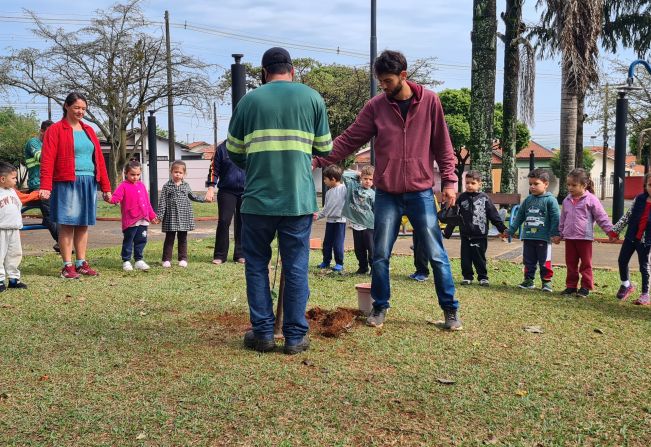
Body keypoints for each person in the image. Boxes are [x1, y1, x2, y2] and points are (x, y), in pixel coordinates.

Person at [312, 50, 461, 330]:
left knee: (436, 254)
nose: (384, 86)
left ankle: (450, 310)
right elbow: (349, 139)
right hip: (387, 194)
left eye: (388, 81)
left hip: (421, 193)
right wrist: (318, 160)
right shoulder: (376, 106)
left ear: (403, 76)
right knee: (379, 253)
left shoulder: (430, 101)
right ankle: (379, 307)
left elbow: (443, 145)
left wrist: (450, 182)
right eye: (380, 81)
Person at [227, 46, 333, 354]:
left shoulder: (249, 101)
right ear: (292, 70)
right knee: (297, 266)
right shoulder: (312, 98)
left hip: (258, 200)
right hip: (298, 199)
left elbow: (233, 150)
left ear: (263, 73)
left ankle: (262, 333)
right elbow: (324, 148)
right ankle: (296, 336)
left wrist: (257, 166)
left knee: (257, 265)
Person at [39, 92, 112, 279]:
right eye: (77, 108)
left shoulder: (88, 130)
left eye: (83, 109)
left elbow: (99, 161)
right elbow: (47, 160)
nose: (80, 112)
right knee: (67, 224)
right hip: (66, 181)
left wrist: (106, 187)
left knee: (83, 224)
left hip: (89, 181)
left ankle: (81, 263)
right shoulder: (55, 130)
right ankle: (67, 265)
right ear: (66, 106)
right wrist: (45, 186)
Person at [554, 168, 613, 298]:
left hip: (584, 238)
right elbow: (562, 219)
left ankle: (585, 287)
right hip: (569, 238)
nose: (570, 188)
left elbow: (601, 217)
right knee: (570, 263)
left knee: (586, 264)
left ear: (584, 185)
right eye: (568, 185)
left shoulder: (591, 199)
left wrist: (610, 231)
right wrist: (559, 234)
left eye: (574, 185)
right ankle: (571, 286)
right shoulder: (566, 200)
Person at [503, 168, 560, 292]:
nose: (532, 187)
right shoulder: (528, 200)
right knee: (528, 261)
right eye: (530, 184)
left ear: (546, 184)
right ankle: (529, 281)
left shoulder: (550, 200)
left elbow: (556, 218)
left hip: (544, 238)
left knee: (545, 261)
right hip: (528, 237)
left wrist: (555, 233)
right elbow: (519, 217)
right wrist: (511, 230)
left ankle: (546, 282)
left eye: (536, 184)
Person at [449, 170, 506, 287]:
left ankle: (483, 277)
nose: (469, 185)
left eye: (473, 183)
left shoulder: (485, 198)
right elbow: (455, 216)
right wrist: (447, 231)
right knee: (465, 258)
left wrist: (502, 229)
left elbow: (494, 215)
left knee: (479, 257)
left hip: (480, 235)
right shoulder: (462, 198)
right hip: (465, 235)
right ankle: (467, 276)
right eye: (467, 183)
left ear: (480, 184)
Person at [608, 172, 651, 305]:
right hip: (631, 237)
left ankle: (645, 294)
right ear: (645, 185)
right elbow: (627, 216)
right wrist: (615, 231)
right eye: (650, 184)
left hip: (646, 241)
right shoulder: (639, 199)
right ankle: (626, 284)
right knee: (622, 260)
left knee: (644, 266)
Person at [109, 159, 159, 271]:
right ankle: (126, 260)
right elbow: (116, 198)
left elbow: (147, 203)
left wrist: (152, 216)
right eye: (132, 174)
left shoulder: (142, 186)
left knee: (141, 240)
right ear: (126, 173)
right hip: (130, 220)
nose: (135, 177)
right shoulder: (123, 186)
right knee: (128, 240)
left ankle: (138, 260)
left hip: (143, 219)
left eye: (138, 175)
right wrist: (109, 198)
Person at [157, 160, 204, 268]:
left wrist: (204, 199)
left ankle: (183, 258)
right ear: (171, 172)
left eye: (180, 172)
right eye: (175, 172)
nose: (177, 174)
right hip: (171, 217)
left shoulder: (186, 186)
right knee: (169, 238)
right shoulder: (166, 186)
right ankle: (166, 259)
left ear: (184, 174)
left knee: (183, 238)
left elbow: (193, 196)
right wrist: (159, 216)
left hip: (184, 216)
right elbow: (162, 202)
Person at [205, 141, 246, 265]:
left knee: (243, 222)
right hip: (227, 190)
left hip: (247, 191)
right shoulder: (222, 149)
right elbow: (213, 169)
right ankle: (220, 255)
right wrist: (211, 188)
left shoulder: (250, 146)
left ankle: (240, 254)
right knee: (224, 221)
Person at [24, 119, 59, 251]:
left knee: (60, 213)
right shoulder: (34, 142)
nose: (52, 136)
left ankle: (61, 240)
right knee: (50, 213)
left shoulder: (53, 143)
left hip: (53, 183)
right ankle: (62, 242)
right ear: (42, 131)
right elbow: (42, 157)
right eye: (49, 133)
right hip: (39, 184)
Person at [342, 165, 375, 275]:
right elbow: (344, 174)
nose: (368, 181)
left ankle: (373, 268)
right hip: (356, 225)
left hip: (369, 226)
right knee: (359, 249)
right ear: (361, 178)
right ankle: (363, 267)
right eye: (365, 178)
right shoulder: (353, 186)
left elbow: (375, 210)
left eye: (371, 179)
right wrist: (357, 173)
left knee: (371, 249)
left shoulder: (373, 194)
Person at [0, 162, 28, 291]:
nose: (16, 180)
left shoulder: (13, 192)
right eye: (14, 178)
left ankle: (13, 279)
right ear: (3, 179)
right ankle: (0, 280)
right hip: (1, 230)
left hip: (14, 229)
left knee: (15, 254)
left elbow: (24, 199)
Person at [314, 164, 347, 273]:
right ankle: (326, 261)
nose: (324, 181)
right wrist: (316, 216)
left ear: (333, 179)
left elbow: (350, 178)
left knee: (338, 244)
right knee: (327, 243)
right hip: (330, 222)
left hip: (340, 222)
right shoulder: (328, 193)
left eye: (325, 179)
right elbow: (326, 209)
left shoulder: (344, 189)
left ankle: (339, 263)